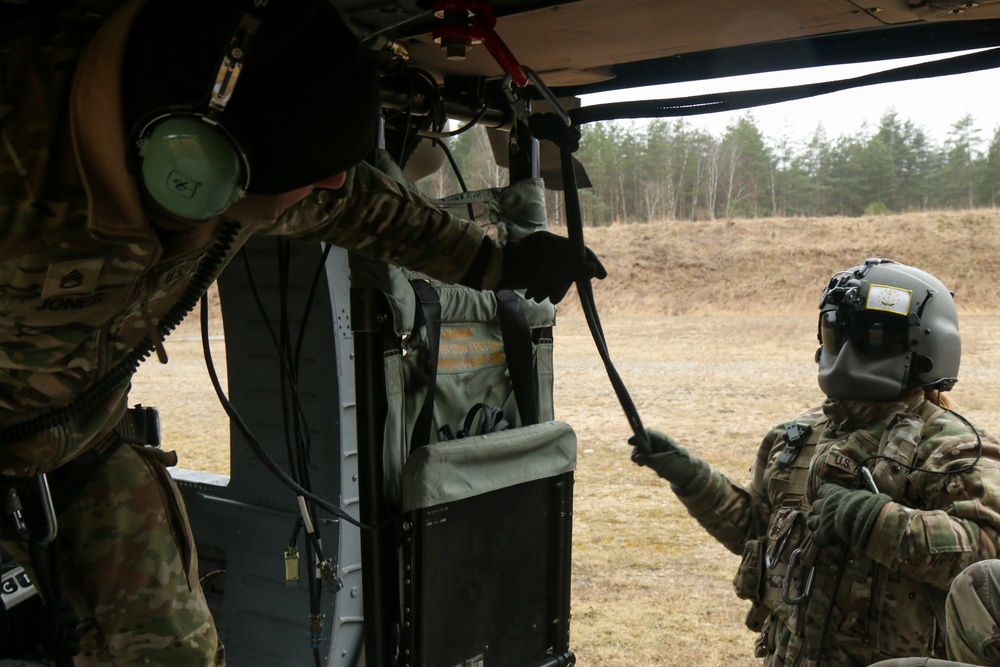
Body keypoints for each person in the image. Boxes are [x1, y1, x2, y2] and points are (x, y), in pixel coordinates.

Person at [0, 1, 605, 665]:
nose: (326, 189)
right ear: (194, 161)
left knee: (175, 652)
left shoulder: (231, 151)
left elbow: (358, 206)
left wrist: (496, 262)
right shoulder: (20, 153)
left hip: (84, 444)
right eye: (302, 178)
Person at [631, 258, 1000, 666]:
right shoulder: (797, 435)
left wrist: (877, 522)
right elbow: (758, 531)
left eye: (872, 335)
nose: (845, 350)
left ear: (925, 346)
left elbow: (987, 558)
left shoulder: (952, 447)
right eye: (835, 332)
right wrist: (692, 479)